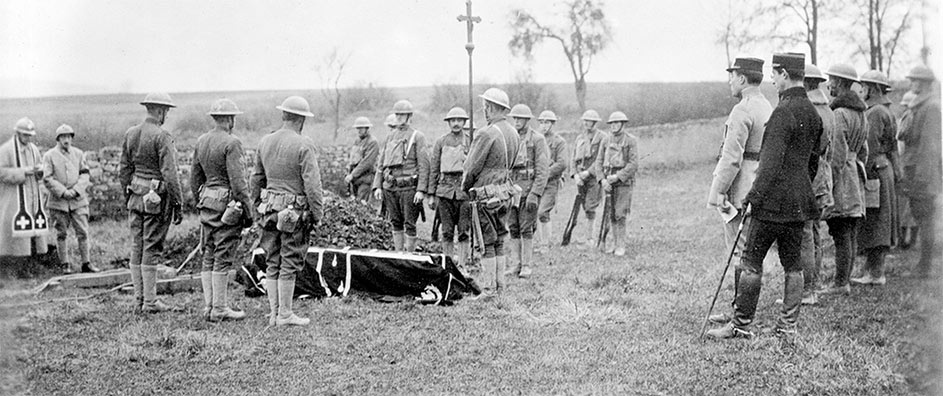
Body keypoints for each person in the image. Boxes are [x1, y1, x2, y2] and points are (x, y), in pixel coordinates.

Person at [707, 52, 823, 339]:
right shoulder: (813, 112)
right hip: (799, 202)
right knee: (793, 265)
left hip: (771, 204)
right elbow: (814, 161)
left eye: (775, 73)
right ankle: (788, 327)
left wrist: (752, 198)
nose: (773, 79)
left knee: (750, 262)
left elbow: (769, 166)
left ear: (784, 74)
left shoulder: (782, 112)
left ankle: (740, 324)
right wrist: (799, 187)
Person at [705, 57, 772, 323]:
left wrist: (718, 192)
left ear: (742, 79)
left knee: (740, 251)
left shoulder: (742, 110)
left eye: (732, 76)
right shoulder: (766, 105)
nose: (730, 81)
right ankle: (737, 308)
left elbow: (731, 158)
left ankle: (740, 315)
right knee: (746, 249)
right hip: (760, 182)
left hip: (742, 187)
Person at [250, 95, 323, 327]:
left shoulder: (265, 141)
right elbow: (313, 185)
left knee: (272, 260)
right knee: (289, 261)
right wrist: (317, 214)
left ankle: (274, 313)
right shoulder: (304, 144)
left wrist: (258, 206)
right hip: (294, 214)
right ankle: (285, 314)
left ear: (283, 115)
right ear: (302, 120)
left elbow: (255, 179)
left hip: (269, 211)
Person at [119, 93, 184, 313]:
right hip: (156, 199)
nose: (166, 115)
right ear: (159, 111)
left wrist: (128, 194)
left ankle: (139, 299)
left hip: (135, 197)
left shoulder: (131, 133)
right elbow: (170, 174)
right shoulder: (162, 136)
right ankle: (149, 302)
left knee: (137, 246)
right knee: (151, 246)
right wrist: (177, 202)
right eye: (166, 111)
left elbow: (124, 170)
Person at [191, 98, 254, 322]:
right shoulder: (232, 142)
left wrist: (201, 200)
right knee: (223, 256)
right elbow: (239, 184)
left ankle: (209, 307)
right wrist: (248, 213)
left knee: (208, 254)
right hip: (227, 208)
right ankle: (219, 308)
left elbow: (194, 179)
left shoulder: (201, 141)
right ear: (229, 119)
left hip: (206, 204)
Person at [463, 87, 519, 297]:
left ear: (492, 108)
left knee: (486, 241)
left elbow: (471, 167)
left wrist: (466, 187)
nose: (484, 111)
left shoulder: (486, 133)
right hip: (505, 192)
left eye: (486, 107)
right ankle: (499, 286)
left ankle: (488, 290)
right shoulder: (513, 132)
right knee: (499, 239)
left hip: (485, 194)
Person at [820, 63, 869, 297]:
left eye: (830, 80)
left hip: (842, 178)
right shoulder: (861, 112)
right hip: (855, 176)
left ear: (839, 83)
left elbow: (836, 156)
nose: (828, 84)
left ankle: (840, 283)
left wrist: (830, 185)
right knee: (849, 231)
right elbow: (864, 151)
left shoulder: (839, 113)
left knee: (841, 231)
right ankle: (844, 280)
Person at [853, 70, 901, 286]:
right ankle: (874, 272)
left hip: (875, 171)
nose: (861, 90)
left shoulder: (874, 113)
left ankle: (875, 274)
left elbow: (870, 147)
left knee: (875, 221)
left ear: (872, 88)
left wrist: (865, 173)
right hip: (886, 169)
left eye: (863, 86)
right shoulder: (886, 111)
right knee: (881, 220)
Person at [897, 64, 941, 277]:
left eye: (915, 80)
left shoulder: (930, 107)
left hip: (923, 173)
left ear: (923, 83)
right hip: (916, 170)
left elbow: (929, 145)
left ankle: (924, 267)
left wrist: (923, 177)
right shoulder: (920, 105)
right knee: (920, 216)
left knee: (925, 220)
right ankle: (923, 266)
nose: (911, 82)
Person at [798, 63, 836, 304]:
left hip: (809, 174)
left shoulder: (809, 109)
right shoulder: (828, 109)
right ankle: (813, 286)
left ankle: (807, 290)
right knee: (814, 232)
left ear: (805, 83)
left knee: (805, 233)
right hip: (822, 173)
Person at [372, 100, 430, 252]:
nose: (398, 117)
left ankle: (409, 256)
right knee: (395, 222)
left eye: (402, 114)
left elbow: (424, 165)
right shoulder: (390, 137)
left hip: (409, 188)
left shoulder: (418, 136)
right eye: (397, 114)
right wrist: (378, 186)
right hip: (391, 187)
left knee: (410, 223)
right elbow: (381, 163)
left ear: (409, 116)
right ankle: (398, 254)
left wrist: (421, 190)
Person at [42, 124, 97, 274]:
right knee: (61, 233)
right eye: (63, 137)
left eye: (68, 137)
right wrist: (63, 192)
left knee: (83, 232)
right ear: (58, 139)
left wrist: (75, 191)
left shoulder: (79, 154)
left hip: (77, 200)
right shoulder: (49, 156)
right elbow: (47, 178)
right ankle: (64, 264)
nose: (66, 140)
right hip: (58, 202)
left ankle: (86, 263)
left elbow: (85, 174)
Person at [505, 104, 549, 278]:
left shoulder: (537, 139)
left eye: (520, 118)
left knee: (526, 228)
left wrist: (535, 193)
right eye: (514, 118)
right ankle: (515, 264)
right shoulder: (510, 137)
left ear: (527, 120)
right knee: (513, 227)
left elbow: (543, 169)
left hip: (528, 189)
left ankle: (527, 265)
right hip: (511, 190)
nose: (516, 121)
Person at [0, 118, 50, 261]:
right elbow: (1, 172)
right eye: (25, 135)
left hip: (32, 195)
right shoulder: (6, 150)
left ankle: (32, 260)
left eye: (30, 135)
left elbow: (40, 167)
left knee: (33, 228)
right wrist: (22, 172)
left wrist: (40, 171)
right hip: (14, 197)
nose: (28, 138)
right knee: (16, 230)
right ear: (17, 133)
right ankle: (15, 263)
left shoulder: (33, 149)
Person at [427, 107, 472, 267]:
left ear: (465, 122)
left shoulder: (470, 141)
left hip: (463, 192)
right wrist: (431, 194)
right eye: (453, 120)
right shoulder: (441, 142)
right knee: (446, 231)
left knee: (463, 231)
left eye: (459, 120)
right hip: (444, 192)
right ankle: (448, 264)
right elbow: (434, 168)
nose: (456, 123)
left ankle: (462, 265)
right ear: (448, 123)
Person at [594, 111, 639, 256]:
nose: (614, 126)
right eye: (612, 123)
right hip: (608, 181)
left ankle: (621, 245)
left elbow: (633, 164)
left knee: (620, 213)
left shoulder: (630, 141)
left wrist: (618, 177)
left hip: (623, 182)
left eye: (616, 123)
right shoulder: (605, 141)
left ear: (623, 124)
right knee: (611, 213)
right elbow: (598, 162)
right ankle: (614, 243)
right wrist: (602, 180)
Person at [571, 110, 609, 247]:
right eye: (585, 120)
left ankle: (590, 239)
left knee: (590, 207)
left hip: (594, 177)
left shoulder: (602, 138)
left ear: (595, 122)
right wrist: (575, 175)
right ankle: (587, 237)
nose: (586, 123)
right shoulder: (580, 138)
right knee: (584, 206)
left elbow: (601, 159)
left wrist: (589, 172)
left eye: (589, 120)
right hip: (581, 178)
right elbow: (573, 158)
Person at [534, 110, 569, 252]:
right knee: (534, 212)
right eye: (541, 122)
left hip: (550, 182)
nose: (543, 125)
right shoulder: (535, 140)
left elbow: (562, 163)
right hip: (536, 182)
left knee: (543, 212)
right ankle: (541, 242)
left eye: (547, 122)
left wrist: (545, 174)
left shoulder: (559, 142)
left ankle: (545, 244)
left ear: (553, 124)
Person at [345, 117, 379, 204]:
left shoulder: (372, 142)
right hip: (355, 179)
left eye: (361, 128)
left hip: (365, 179)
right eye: (357, 128)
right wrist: (349, 173)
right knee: (355, 204)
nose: (359, 131)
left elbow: (367, 162)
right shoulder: (357, 141)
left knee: (361, 205)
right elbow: (352, 159)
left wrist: (352, 175)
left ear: (367, 128)